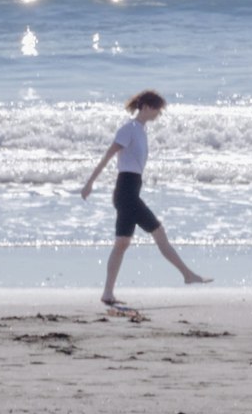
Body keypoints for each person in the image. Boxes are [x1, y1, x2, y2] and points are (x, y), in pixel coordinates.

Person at [77, 88, 206, 310]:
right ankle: (187, 274)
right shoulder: (129, 129)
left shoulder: (140, 130)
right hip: (126, 192)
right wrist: (90, 183)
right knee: (158, 232)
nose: (159, 115)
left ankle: (107, 293)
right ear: (146, 107)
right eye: (157, 110)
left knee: (122, 244)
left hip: (129, 191)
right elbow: (109, 155)